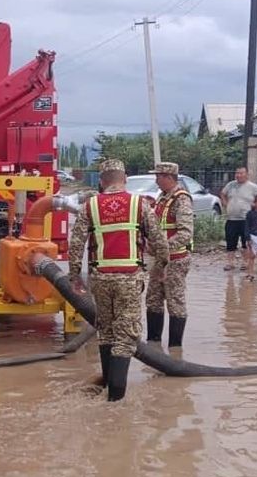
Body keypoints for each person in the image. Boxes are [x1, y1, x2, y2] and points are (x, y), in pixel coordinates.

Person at [69, 159, 169, 402]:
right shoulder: (139, 204)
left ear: (102, 182)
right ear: (124, 179)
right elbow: (159, 243)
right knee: (126, 338)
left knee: (106, 331)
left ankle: (106, 384)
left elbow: (76, 245)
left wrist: (74, 276)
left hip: (100, 279)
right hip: (129, 278)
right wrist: (162, 267)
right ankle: (115, 403)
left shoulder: (89, 206)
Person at [145, 162, 194, 348]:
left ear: (168, 177)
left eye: (158, 176)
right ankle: (153, 344)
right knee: (153, 301)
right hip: (159, 261)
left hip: (175, 260)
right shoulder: (162, 198)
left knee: (175, 302)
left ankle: (175, 349)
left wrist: (163, 247)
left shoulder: (181, 200)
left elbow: (185, 233)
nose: (156, 180)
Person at [220, 166, 257, 271]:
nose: (239, 175)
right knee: (230, 241)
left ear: (246, 174)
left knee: (246, 242)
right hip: (232, 218)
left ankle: (245, 263)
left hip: (246, 219)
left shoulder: (252, 187)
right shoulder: (231, 185)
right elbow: (223, 193)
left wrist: (256, 207)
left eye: (241, 173)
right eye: (237, 173)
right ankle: (230, 263)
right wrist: (225, 203)